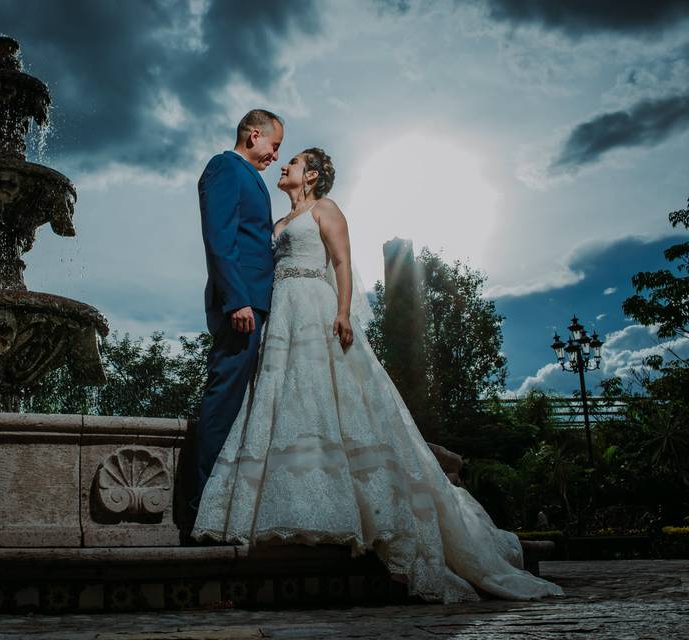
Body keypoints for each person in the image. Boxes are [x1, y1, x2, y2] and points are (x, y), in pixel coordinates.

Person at [191, 147, 563, 603]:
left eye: (292, 161)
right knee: (290, 401)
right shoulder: (278, 224)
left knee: (333, 399)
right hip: (283, 320)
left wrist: (344, 311)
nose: (283, 166)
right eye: (283, 158)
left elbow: (343, 263)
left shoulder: (326, 210)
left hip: (316, 309)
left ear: (310, 176)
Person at [189, 109, 284, 522]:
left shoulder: (255, 179)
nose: (276, 156)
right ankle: (197, 509)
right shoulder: (224, 167)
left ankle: (226, 507)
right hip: (241, 305)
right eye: (274, 145)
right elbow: (219, 237)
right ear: (254, 134)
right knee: (224, 398)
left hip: (258, 302)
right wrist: (236, 300)